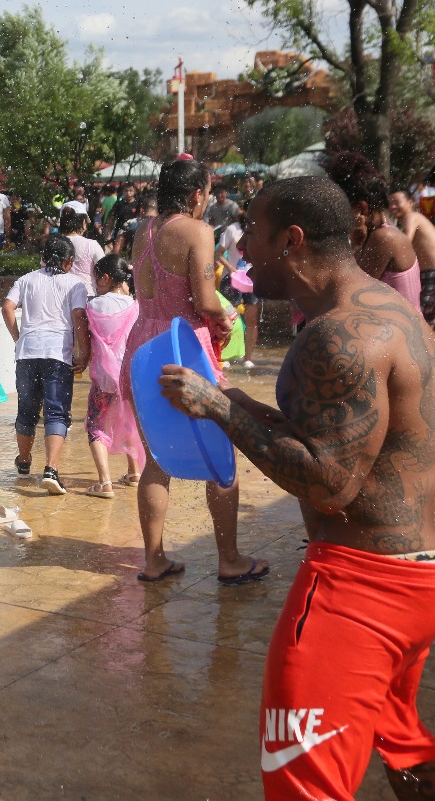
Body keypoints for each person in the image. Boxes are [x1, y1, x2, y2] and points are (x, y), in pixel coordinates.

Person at [158, 175, 435, 800]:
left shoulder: (334, 336)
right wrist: (245, 405)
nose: (242, 249)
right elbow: (355, 435)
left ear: (292, 239)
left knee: (304, 787)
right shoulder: (394, 314)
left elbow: (331, 483)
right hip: (418, 580)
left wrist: (221, 413)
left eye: (252, 231)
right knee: (409, 754)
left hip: (359, 590)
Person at [123, 158, 267, 584]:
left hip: (142, 347)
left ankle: (154, 561)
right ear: (195, 196)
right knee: (222, 453)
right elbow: (205, 300)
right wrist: (224, 318)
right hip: (184, 348)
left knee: (155, 460)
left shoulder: (141, 229)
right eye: (205, 193)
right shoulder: (198, 231)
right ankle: (230, 560)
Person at [2, 234, 89, 496]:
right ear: (69, 261)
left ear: (43, 257)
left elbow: (7, 307)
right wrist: (84, 351)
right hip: (57, 355)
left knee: (26, 410)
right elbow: (78, 315)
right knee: (56, 412)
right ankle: (51, 469)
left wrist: (19, 337)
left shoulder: (26, 280)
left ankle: (25, 460)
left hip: (27, 353)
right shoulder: (76, 284)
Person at [83, 254, 143, 499]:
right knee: (128, 420)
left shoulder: (93, 306)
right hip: (130, 375)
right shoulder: (135, 306)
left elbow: (86, 338)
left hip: (103, 378)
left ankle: (105, 482)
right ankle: (134, 472)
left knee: (95, 425)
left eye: (97, 279)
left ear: (106, 278)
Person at [332, 172, 422, 312]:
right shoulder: (381, 233)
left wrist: (355, 245)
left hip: (404, 331)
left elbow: (351, 291)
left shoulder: (384, 237)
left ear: (362, 208)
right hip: (400, 327)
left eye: (343, 211)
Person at [217, 204, 259, 368]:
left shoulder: (259, 229)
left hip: (252, 279)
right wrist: (231, 268)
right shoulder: (232, 229)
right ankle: (224, 355)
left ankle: (247, 358)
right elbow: (218, 254)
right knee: (226, 318)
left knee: (252, 319)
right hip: (232, 279)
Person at [390, 188, 435, 324]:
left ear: (410, 202)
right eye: (390, 203)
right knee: (428, 318)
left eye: (397, 202)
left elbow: (405, 242)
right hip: (428, 273)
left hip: (432, 273)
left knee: (420, 319)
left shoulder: (411, 217)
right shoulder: (410, 219)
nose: (393, 206)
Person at [60, 208, 105, 294]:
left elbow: (44, 269)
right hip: (86, 296)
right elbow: (104, 271)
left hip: (59, 297)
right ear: (84, 223)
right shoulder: (91, 245)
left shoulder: (53, 244)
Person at [107, 183, 143, 254]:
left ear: (134, 191)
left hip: (133, 231)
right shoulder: (119, 204)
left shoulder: (138, 203)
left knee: (132, 253)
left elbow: (141, 217)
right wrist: (109, 233)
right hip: (119, 231)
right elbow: (112, 218)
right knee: (117, 252)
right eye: (126, 191)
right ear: (123, 192)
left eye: (130, 190)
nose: (128, 193)